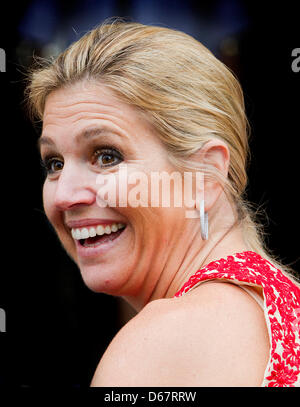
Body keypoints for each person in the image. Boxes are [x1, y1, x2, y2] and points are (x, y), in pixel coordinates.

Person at [25, 19, 300, 387]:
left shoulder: (160, 344)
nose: (64, 195)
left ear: (204, 176)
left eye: (106, 156)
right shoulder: (282, 306)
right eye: (54, 164)